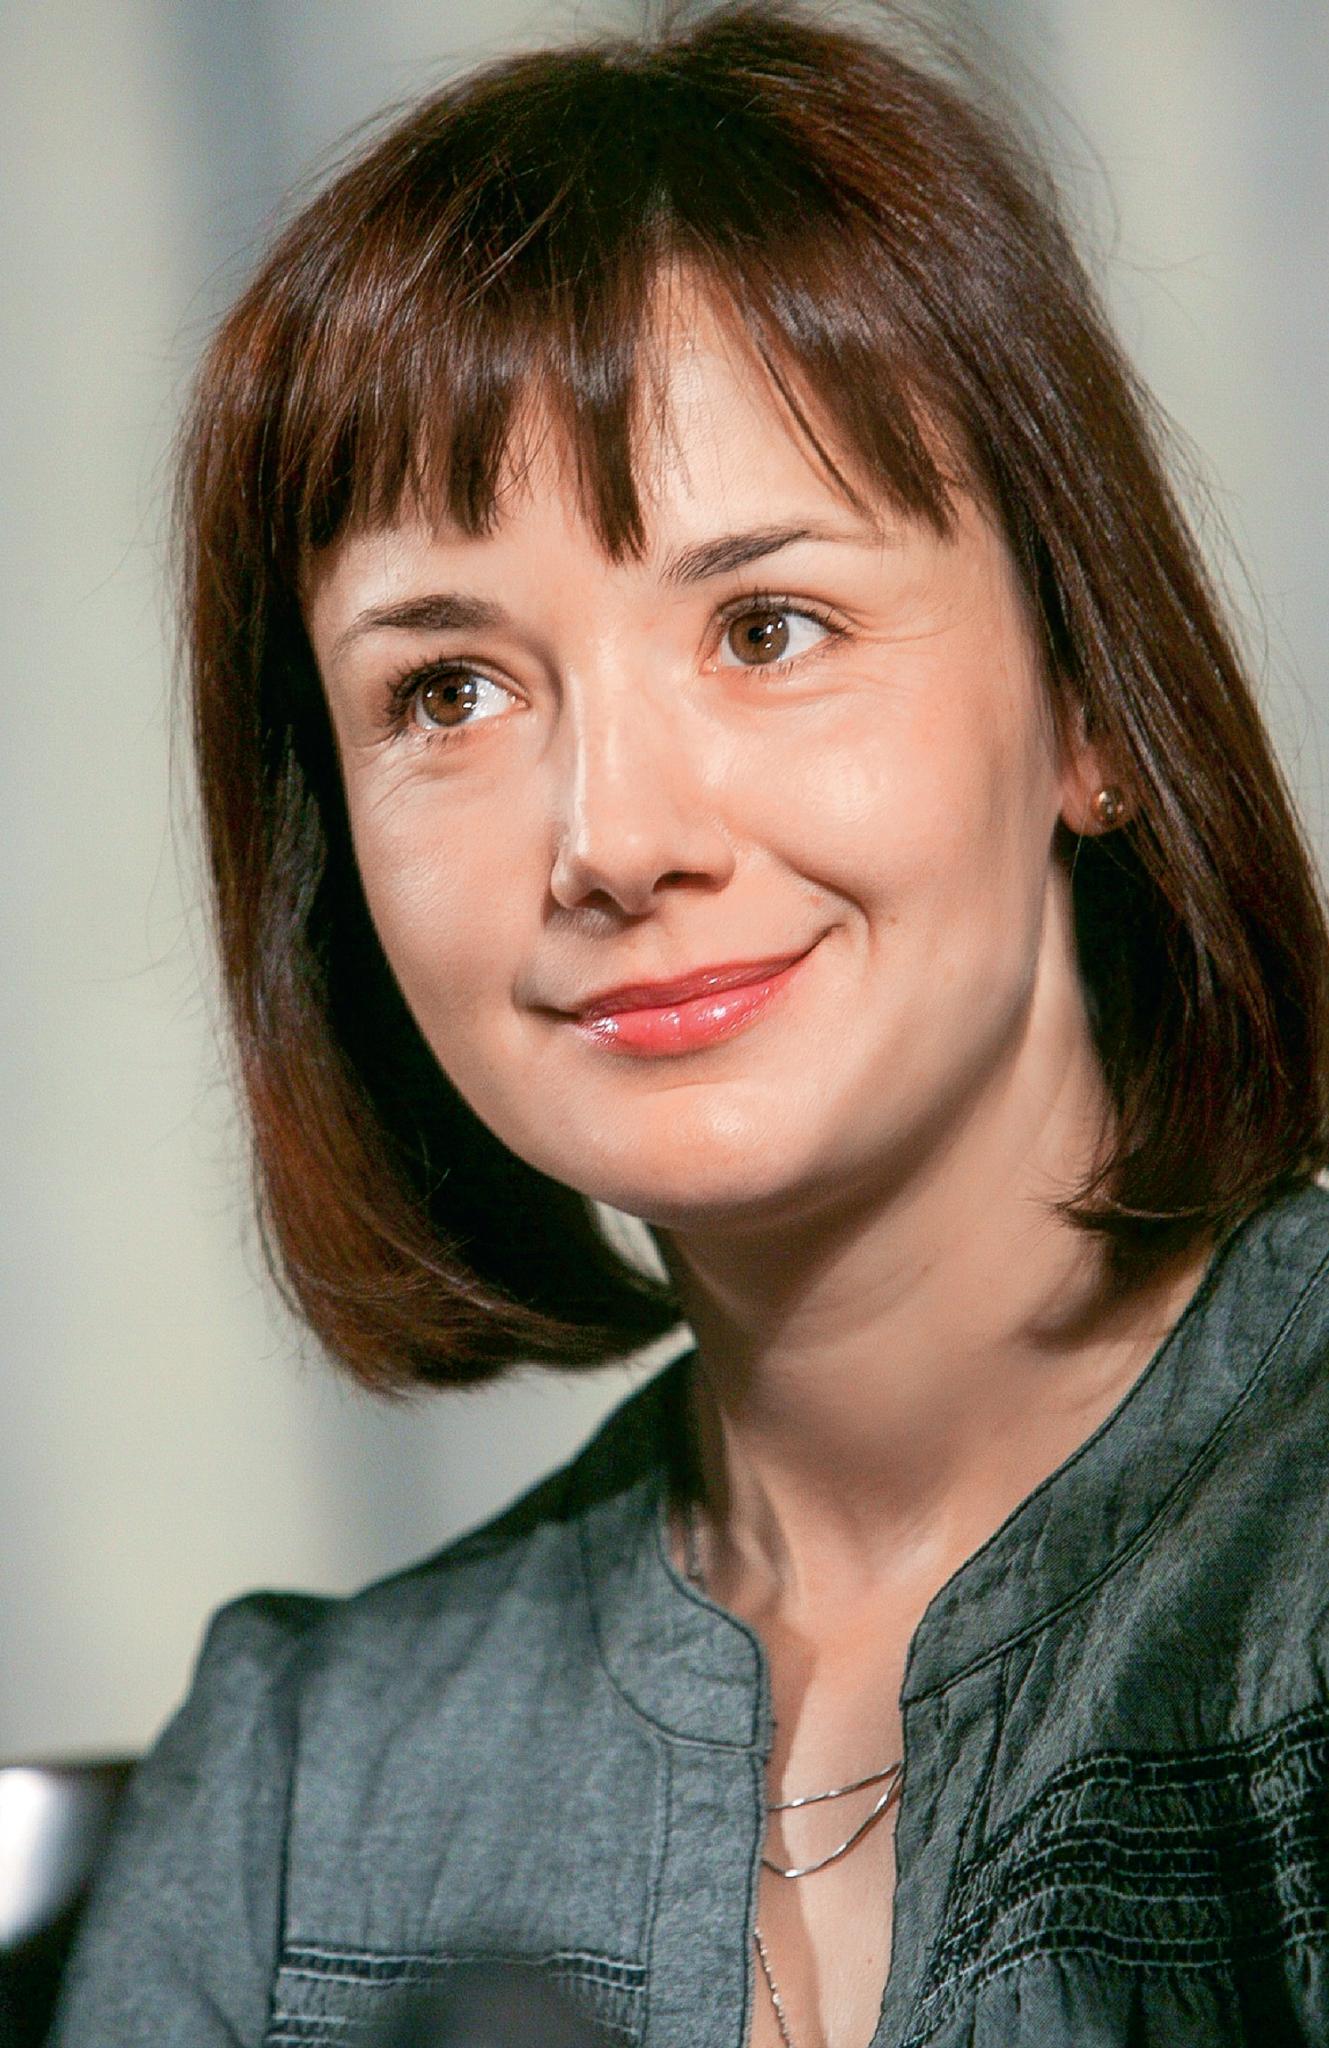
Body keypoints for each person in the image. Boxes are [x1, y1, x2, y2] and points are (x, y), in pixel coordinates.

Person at [52, 4, 1329, 2045]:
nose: (612, 839)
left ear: (1090, 702)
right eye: (448, 691)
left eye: (765, 627)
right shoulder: (296, 1793)